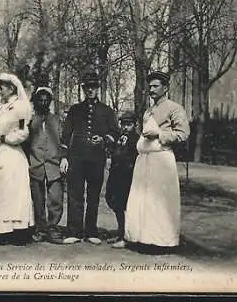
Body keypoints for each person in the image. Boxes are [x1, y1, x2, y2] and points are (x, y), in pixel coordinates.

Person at [124, 71, 190, 254]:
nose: (151, 90)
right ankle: (144, 238)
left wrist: (160, 134)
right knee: (144, 200)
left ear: (165, 88)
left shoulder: (175, 108)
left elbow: (183, 134)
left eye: (155, 86)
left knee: (160, 201)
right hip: (145, 161)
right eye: (150, 86)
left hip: (162, 160)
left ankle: (162, 241)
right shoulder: (148, 111)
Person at [60, 71, 119, 245]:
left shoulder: (107, 111)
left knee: (93, 196)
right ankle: (74, 231)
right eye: (87, 87)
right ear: (84, 89)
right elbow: (66, 135)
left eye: (93, 87)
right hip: (76, 159)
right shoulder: (75, 110)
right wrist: (64, 157)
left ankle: (91, 231)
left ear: (98, 88)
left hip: (96, 159)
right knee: (74, 195)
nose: (90, 90)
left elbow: (115, 132)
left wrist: (104, 139)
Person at [0, 73, 34, 246]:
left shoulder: (20, 107)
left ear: (11, 88)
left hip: (11, 157)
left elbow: (23, 132)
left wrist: (2, 138)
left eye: (2, 86)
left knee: (11, 195)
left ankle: (15, 232)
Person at [28, 86, 64, 244]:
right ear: (36, 102)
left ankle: (53, 228)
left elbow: (64, 141)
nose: (43, 102)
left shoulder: (56, 120)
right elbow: (24, 142)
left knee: (55, 198)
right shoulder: (31, 120)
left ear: (50, 102)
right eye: (40, 100)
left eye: (46, 100)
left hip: (54, 164)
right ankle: (40, 228)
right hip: (35, 164)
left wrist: (64, 158)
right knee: (37, 199)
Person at [104, 111, 139, 249]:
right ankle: (120, 232)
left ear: (135, 125)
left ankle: (126, 235)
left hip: (127, 176)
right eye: (123, 124)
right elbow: (113, 151)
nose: (125, 127)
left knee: (124, 204)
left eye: (129, 124)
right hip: (115, 174)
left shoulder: (136, 139)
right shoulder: (119, 137)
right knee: (112, 200)